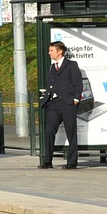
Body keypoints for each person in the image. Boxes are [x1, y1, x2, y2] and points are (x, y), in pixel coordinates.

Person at [39, 41, 84, 169]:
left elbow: (78, 83)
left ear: (60, 51)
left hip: (67, 103)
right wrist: (46, 99)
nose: (49, 53)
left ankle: (72, 162)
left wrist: (75, 99)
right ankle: (48, 161)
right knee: (49, 131)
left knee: (71, 132)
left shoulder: (71, 65)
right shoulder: (52, 67)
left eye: (51, 50)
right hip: (53, 103)